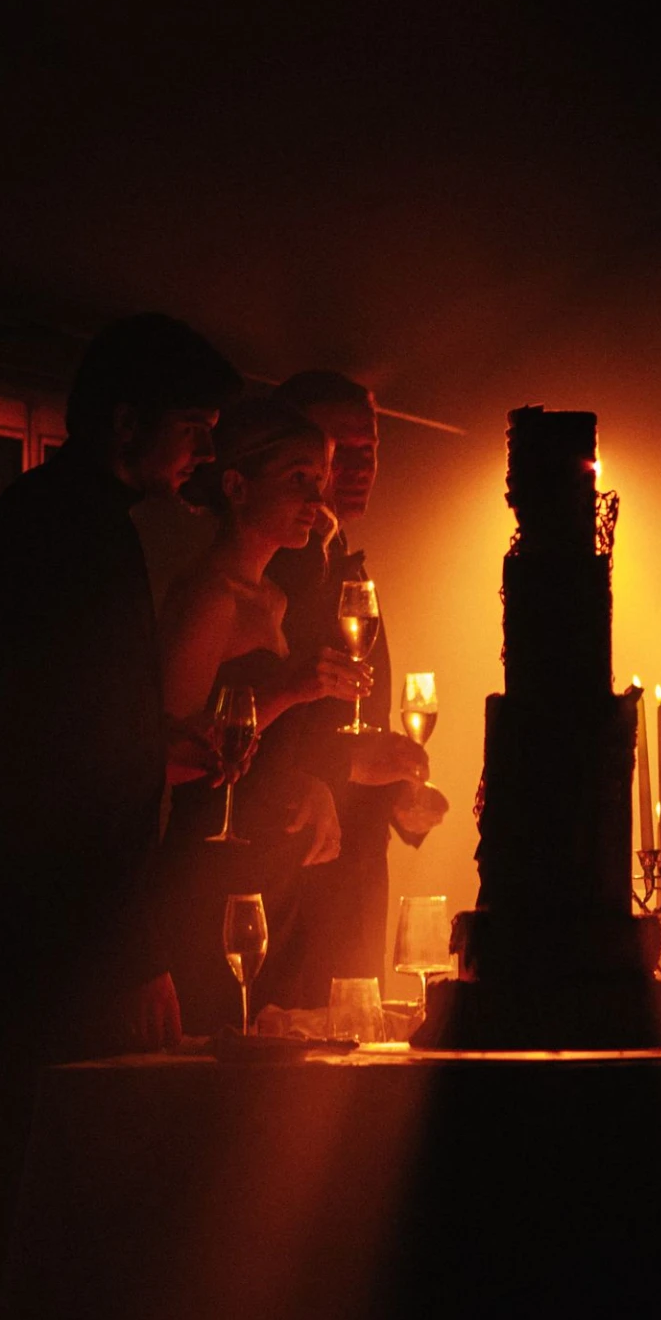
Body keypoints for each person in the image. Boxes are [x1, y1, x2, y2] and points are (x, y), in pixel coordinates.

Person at [0, 312, 239, 1320]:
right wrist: (131, 948)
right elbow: (71, 765)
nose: (201, 452)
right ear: (128, 423)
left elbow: (56, 730)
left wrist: (152, 750)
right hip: (51, 920)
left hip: (24, 903)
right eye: (192, 427)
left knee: (38, 1150)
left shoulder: (50, 516)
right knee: (61, 1158)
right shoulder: (80, 532)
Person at [152, 396, 376, 1030]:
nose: (315, 499)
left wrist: (305, 782)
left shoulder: (273, 597)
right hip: (209, 877)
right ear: (236, 486)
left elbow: (255, 755)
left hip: (268, 873)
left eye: (320, 481)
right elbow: (169, 759)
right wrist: (290, 691)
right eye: (298, 478)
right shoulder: (210, 597)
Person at [244, 372, 447, 1010]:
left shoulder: (342, 563)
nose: (358, 468)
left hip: (350, 882)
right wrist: (351, 763)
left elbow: (350, 726)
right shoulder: (270, 569)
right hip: (291, 886)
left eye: (371, 450)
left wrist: (395, 795)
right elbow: (240, 736)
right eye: (341, 450)